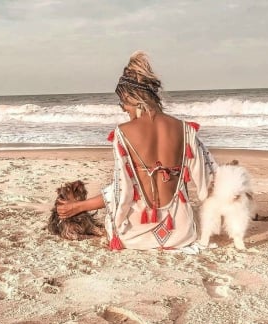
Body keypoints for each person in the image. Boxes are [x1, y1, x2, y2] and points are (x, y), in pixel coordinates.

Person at [57, 51, 216, 251]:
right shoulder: (185, 129)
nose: (123, 108)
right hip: (181, 233)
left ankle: (79, 207)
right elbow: (209, 181)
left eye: (123, 102)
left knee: (115, 207)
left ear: (134, 97)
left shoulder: (122, 134)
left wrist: (79, 206)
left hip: (136, 235)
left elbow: (121, 192)